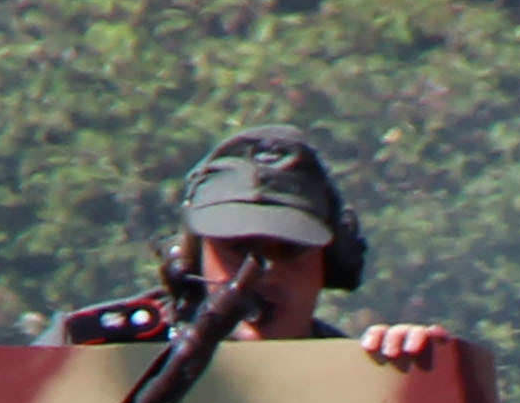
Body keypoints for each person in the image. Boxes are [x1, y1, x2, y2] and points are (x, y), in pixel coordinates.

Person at [57, 125, 448, 368]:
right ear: (192, 257)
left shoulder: (366, 379)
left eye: (290, 249)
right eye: (237, 247)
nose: (263, 273)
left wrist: (424, 379)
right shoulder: (92, 352)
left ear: (330, 262)